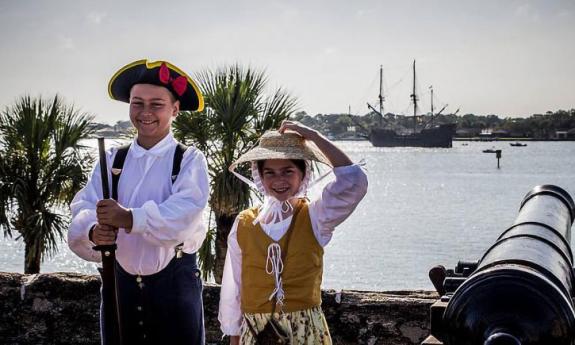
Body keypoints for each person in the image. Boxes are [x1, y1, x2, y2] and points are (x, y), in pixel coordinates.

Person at [68, 59, 209, 344]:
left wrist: (129, 218)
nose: (145, 112)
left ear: (175, 109)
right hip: (120, 287)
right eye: (137, 103)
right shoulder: (111, 160)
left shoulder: (189, 160)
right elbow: (84, 206)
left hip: (175, 289)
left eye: (156, 104)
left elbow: (184, 215)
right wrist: (94, 230)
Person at [218, 121, 368, 344]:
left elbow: (354, 181)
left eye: (288, 171)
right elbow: (233, 288)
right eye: (269, 172)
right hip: (257, 332)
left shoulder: (317, 215)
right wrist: (234, 337)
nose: (279, 180)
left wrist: (314, 136)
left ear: (302, 173)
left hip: (306, 330)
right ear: (259, 176)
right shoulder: (244, 223)